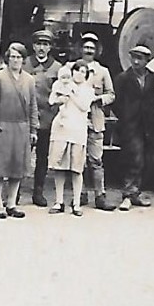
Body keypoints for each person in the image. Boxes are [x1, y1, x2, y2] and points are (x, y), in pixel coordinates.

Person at [0, 42, 39, 219]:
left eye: (19, 57)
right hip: (3, 127)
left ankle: (12, 203)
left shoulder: (29, 80)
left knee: (18, 167)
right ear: (7, 58)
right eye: (12, 57)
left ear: (23, 59)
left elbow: (33, 107)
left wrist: (33, 129)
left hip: (22, 127)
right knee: (0, 167)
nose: (15, 60)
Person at [111, 45, 154, 210]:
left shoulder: (153, 78)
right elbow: (116, 103)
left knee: (144, 159)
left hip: (147, 125)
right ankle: (127, 195)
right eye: (134, 58)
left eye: (140, 58)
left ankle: (135, 193)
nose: (136, 61)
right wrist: (126, 116)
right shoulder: (123, 78)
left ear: (147, 60)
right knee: (133, 158)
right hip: (130, 125)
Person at [47, 61, 96, 216]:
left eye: (83, 72)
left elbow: (84, 106)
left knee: (76, 169)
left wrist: (71, 93)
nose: (79, 74)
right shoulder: (62, 84)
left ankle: (76, 203)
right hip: (61, 130)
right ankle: (59, 201)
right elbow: (52, 99)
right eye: (77, 71)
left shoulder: (88, 90)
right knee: (59, 167)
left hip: (77, 132)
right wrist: (59, 96)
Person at [78, 33, 116, 211]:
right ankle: (81, 194)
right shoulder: (73, 68)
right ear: (81, 49)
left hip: (95, 120)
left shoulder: (103, 71)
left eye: (92, 48)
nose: (89, 51)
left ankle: (100, 196)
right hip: (76, 120)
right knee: (78, 159)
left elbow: (111, 94)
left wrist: (98, 100)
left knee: (96, 160)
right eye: (86, 47)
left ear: (97, 51)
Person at [23, 29, 62, 207]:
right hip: (25, 119)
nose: (41, 48)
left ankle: (38, 191)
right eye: (39, 44)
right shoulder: (24, 65)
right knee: (22, 155)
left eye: (45, 44)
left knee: (42, 157)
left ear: (50, 47)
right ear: (33, 46)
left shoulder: (57, 68)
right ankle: (14, 192)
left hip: (46, 119)